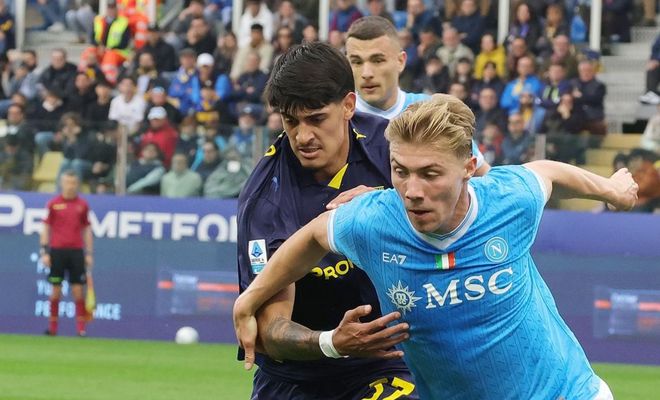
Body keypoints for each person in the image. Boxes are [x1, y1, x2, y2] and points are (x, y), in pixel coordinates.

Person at [234, 94, 639, 399]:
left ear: (468, 168)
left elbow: (546, 173)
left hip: (567, 392)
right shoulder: (374, 220)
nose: (412, 191)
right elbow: (311, 236)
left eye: (430, 174)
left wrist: (613, 191)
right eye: (400, 171)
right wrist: (249, 300)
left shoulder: (508, 199)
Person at [237, 41, 417, 399]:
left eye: (317, 119)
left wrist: (387, 202)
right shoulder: (265, 202)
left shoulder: (393, 148)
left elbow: (457, 197)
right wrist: (332, 342)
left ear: (348, 105)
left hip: (385, 363)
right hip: (295, 379)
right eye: (291, 121)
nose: (303, 137)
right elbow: (271, 329)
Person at [345, 16, 490, 175]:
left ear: (401, 61)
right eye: (357, 62)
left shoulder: (432, 111)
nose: (366, 73)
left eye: (378, 61)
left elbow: (484, 175)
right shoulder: (338, 117)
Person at [41, 170, 94, 337]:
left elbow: (87, 229)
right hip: (57, 251)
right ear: (61, 183)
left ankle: (81, 329)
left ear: (77, 184)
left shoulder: (82, 205)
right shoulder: (53, 204)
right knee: (55, 290)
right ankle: (52, 328)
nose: (70, 186)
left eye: (73, 183)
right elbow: (46, 227)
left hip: (76, 252)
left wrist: (89, 253)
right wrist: (44, 251)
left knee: (78, 290)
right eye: (67, 182)